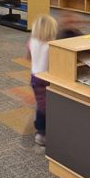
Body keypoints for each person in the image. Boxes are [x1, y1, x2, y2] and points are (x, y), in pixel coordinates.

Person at [28, 14, 58, 147]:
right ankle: (41, 133)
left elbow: (29, 57)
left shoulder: (32, 41)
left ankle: (42, 127)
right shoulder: (50, 45)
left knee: (42, 104)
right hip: (44, 79)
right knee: (44, 107)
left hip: (34, 76)